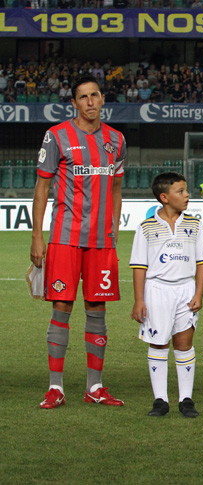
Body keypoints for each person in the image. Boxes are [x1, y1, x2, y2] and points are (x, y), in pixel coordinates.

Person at [32, 75, 127, 409]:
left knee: (97, 309)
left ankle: (95, 386)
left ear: (102, 99)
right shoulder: (56, 136)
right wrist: (37, 236)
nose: (90, 102)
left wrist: (113, 232)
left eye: (95, 95)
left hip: (101, 242)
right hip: (65, 239)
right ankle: (55, 387)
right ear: (74, 103)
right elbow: (42, 187)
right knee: (62, 306)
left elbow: (116, 189)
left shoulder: (116, 140)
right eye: (83, 97)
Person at [130, 172, 203, 418]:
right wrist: (139, 300)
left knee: (184, 344)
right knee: (159, 343)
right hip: (157, 291)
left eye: (186, 190)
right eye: (181, 191)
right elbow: (139, 266)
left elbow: (202, 262)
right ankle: (160, 400)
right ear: (164, 197)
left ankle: (186, 400)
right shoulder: (146, 227)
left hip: (185, 290)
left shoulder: (194, 224)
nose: (187, 195)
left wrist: (199, 293)